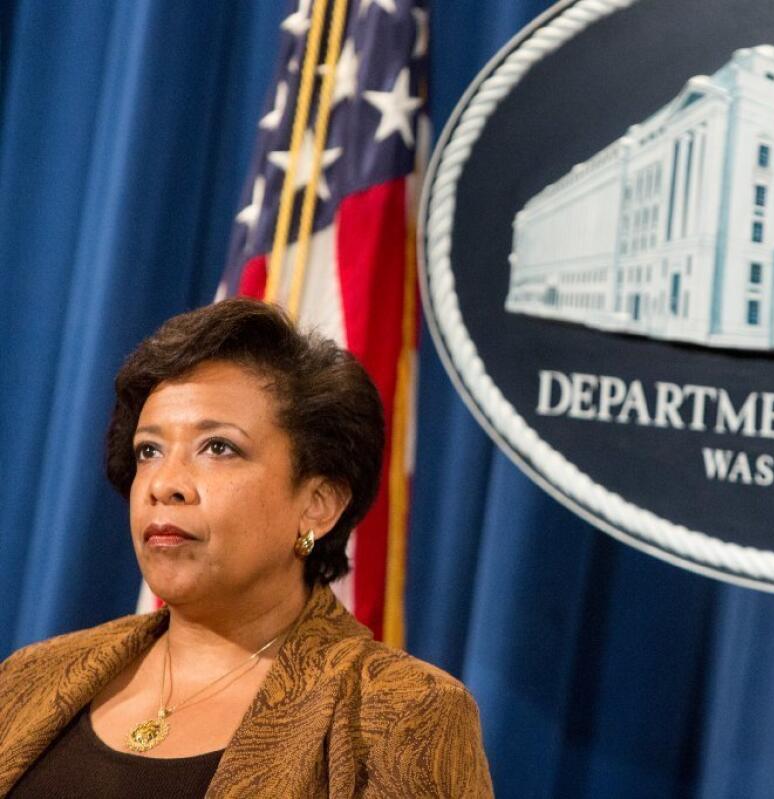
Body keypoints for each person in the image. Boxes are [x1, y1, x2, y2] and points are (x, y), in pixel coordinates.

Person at [0, 298, 493, 797]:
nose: (164, 484)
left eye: (218, 447)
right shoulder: (30, 675)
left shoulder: (401, 713)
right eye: (149, 450)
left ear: (318, 504)